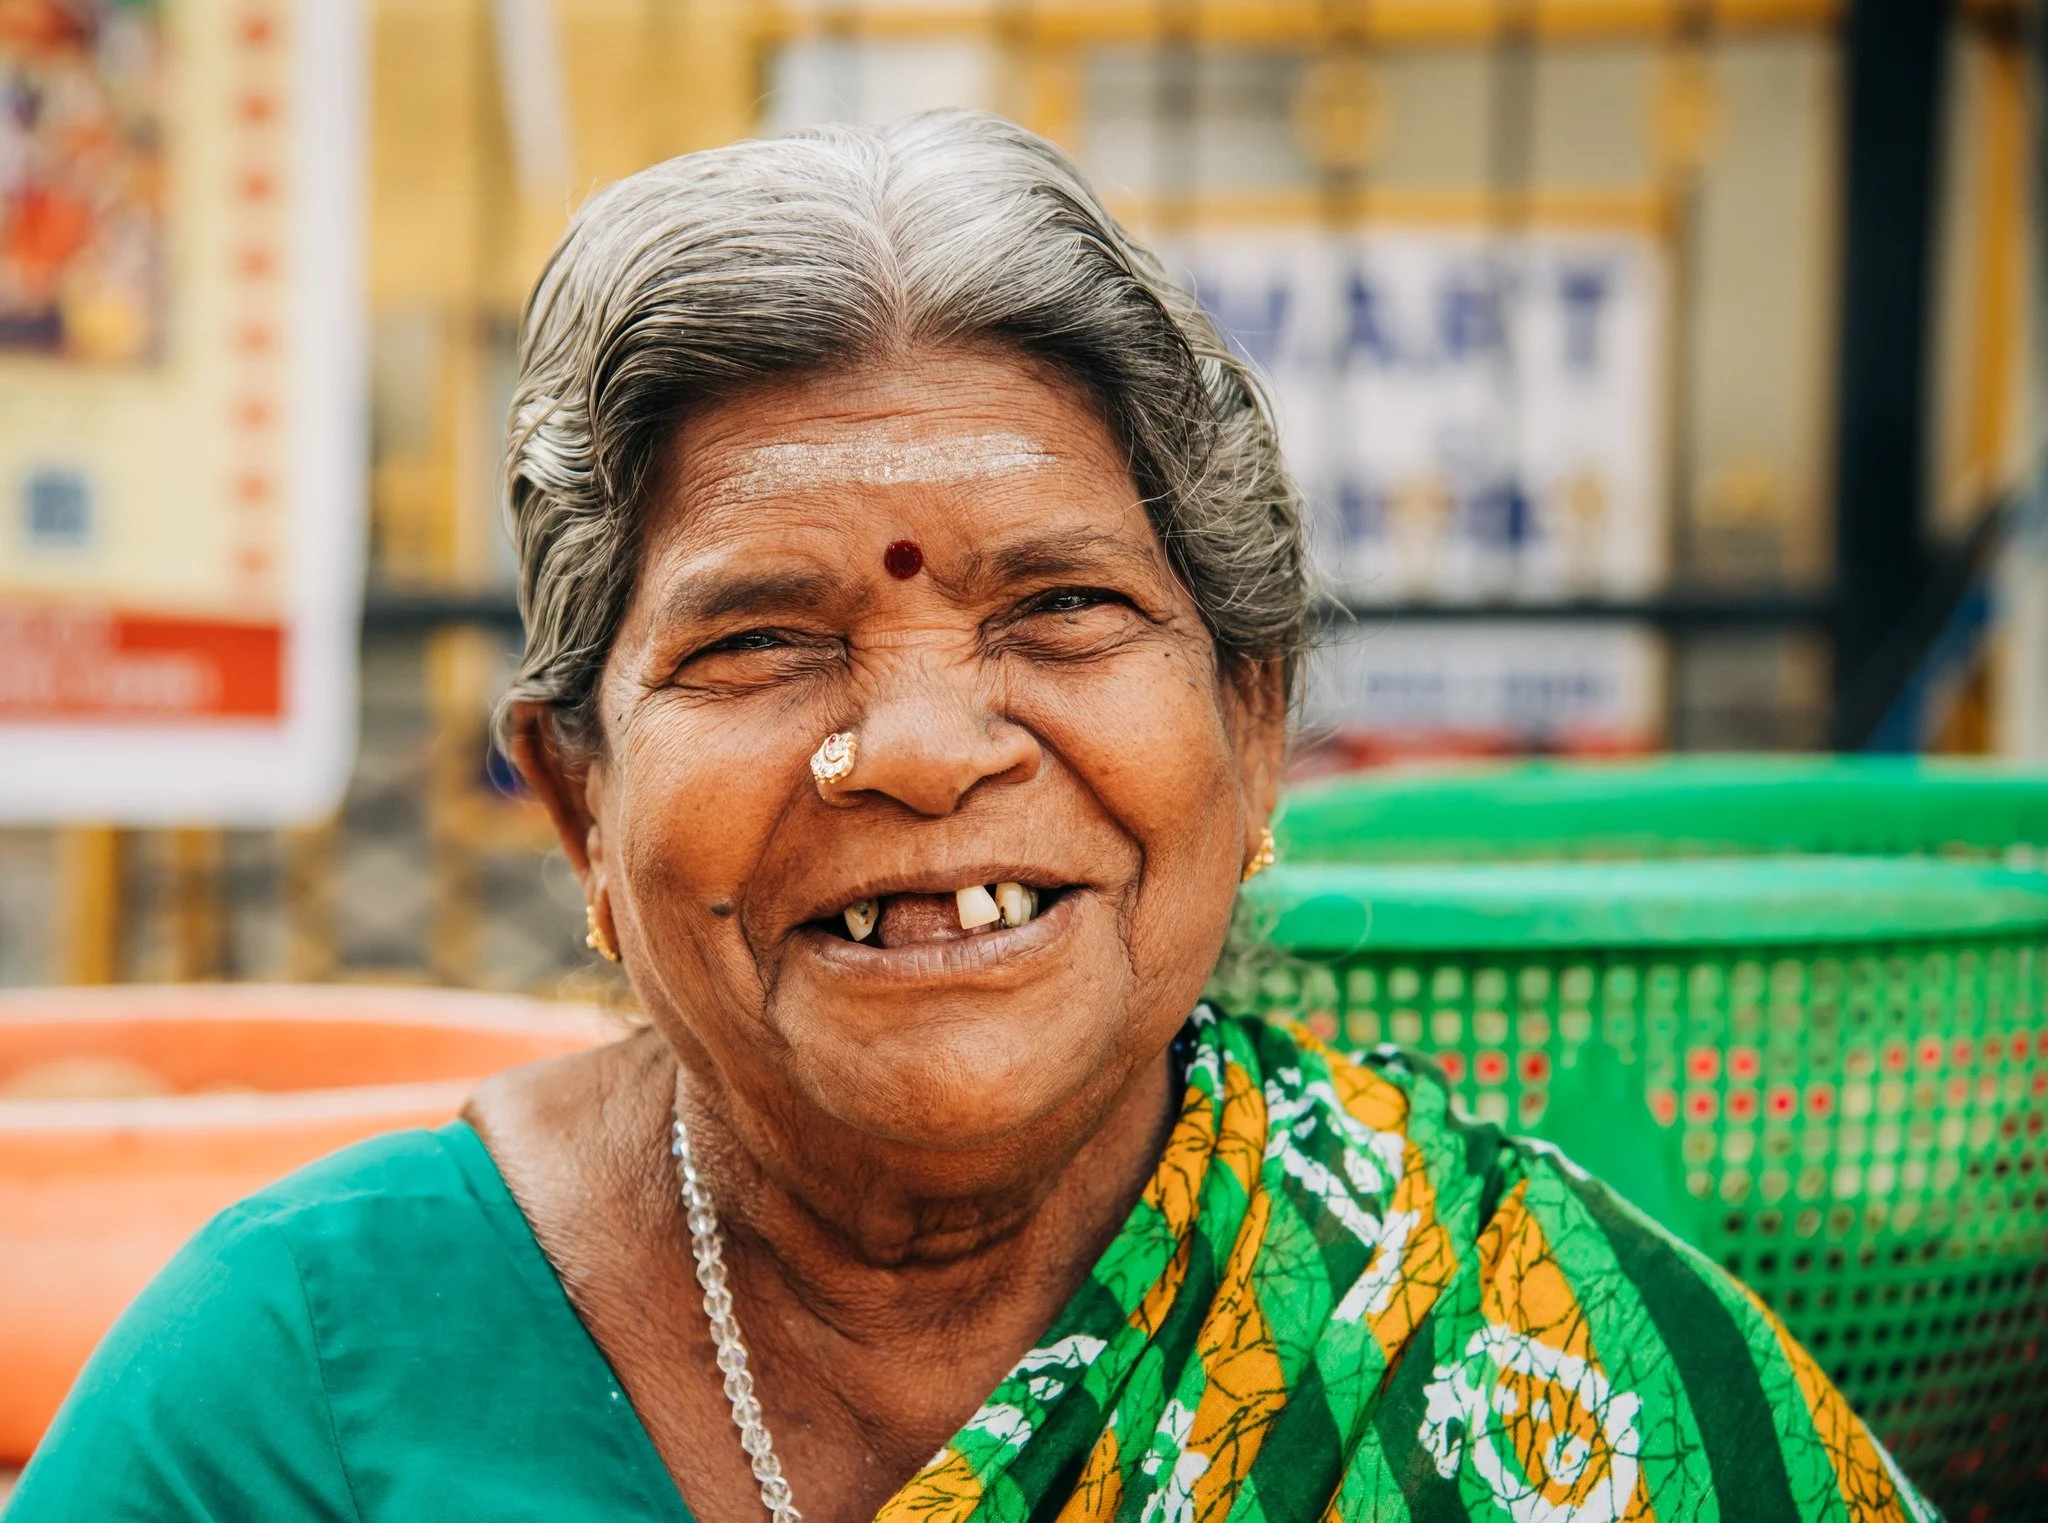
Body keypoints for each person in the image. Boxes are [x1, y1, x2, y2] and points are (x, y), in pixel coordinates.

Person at [8, 110, 1935, 1522]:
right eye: (761, 638)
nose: (922, 748)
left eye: (1061, 610)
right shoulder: (288, 1398)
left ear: (1252, 729)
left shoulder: (1515, 1344)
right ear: (581, 801)